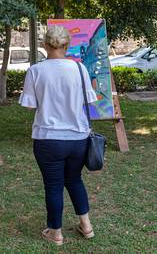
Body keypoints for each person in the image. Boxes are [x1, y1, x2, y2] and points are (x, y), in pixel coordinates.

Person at [19, 25, 98, 246]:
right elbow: (88, 100)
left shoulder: (36, 70)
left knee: (53, 186)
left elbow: (29, 105)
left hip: (48, 139)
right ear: (67, 45)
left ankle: (56, 233)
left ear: (45, 44)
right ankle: (87, 225)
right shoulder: (80, 69)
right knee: (74, 180)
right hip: (78, 139)